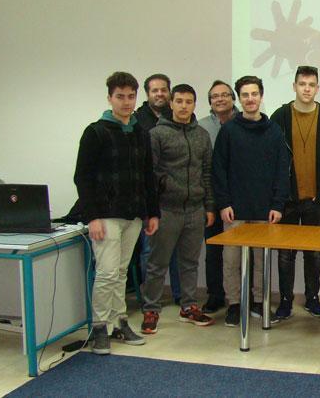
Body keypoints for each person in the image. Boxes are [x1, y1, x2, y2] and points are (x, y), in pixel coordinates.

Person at [74, 71, 159, 354]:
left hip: (133, 215)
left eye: (131, 96)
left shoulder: (140, 133)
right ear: (109, 98)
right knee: (107, 273)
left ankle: (119, 321)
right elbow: (82, 177)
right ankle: (100, 327)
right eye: (120, 96)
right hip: (105, 216)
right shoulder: (96, 132)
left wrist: (152, 213)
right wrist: (92, 217)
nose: (126, 102)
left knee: (122, 272)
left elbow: (147, 176)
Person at [214, 75, 290, 326]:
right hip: (234, 210)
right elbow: (218, 169)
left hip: (265, 210)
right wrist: (223, 203)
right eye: (245, 95)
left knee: (261, 261)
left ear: (261, 96)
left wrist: (277, 205)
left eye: (254, 94)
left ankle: (259, 302)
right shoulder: (228, 131)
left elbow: (282, 170)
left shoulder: (274, 131)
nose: (250, 99)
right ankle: (234, 304)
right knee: (231, 260)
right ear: (239, 98)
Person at [140, 84, 215, 334]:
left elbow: (207, 173)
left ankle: (189, 306)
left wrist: (209, 206)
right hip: (166, 209)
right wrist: (156, 206)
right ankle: (151, 309)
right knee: (157, 263)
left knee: (190, 262)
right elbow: (150, 173)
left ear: (194, 105)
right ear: (171, 103)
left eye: (189, 102)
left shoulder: (202, 135)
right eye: (179, 101)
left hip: (195, 209)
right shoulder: (157, 134)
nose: (184, 106)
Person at [270, 66, 320, 320]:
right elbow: (272, 156)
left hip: (316, 199)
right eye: (302, 84)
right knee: (285, 254)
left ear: (317, 88)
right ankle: (285, 301)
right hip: (288, 199)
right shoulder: (280, 116)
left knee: (313, 253)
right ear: (294, 86)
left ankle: (312, 298)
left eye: (311, 85)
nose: (307, 89)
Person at [135, 73, 180, 303]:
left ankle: (180, 296)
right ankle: (150, 298)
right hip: (149, 198)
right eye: (155, 90)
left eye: (164, 90)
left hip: (175, 198)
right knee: (149, 251)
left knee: (177, 252)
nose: (160, 94)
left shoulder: (178, 118)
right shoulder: (137, 121)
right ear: (147, 94)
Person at [198, 80, 239, 314]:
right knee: (213, 250)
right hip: (212, 200)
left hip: (240, 199)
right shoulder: (201, 127)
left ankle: (240, 296)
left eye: (225, 94)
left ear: (233, 98)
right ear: (210, 102)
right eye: (215, 96)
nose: (220, 99)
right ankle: (215, 295)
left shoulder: (245, 122)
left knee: (239, 252)